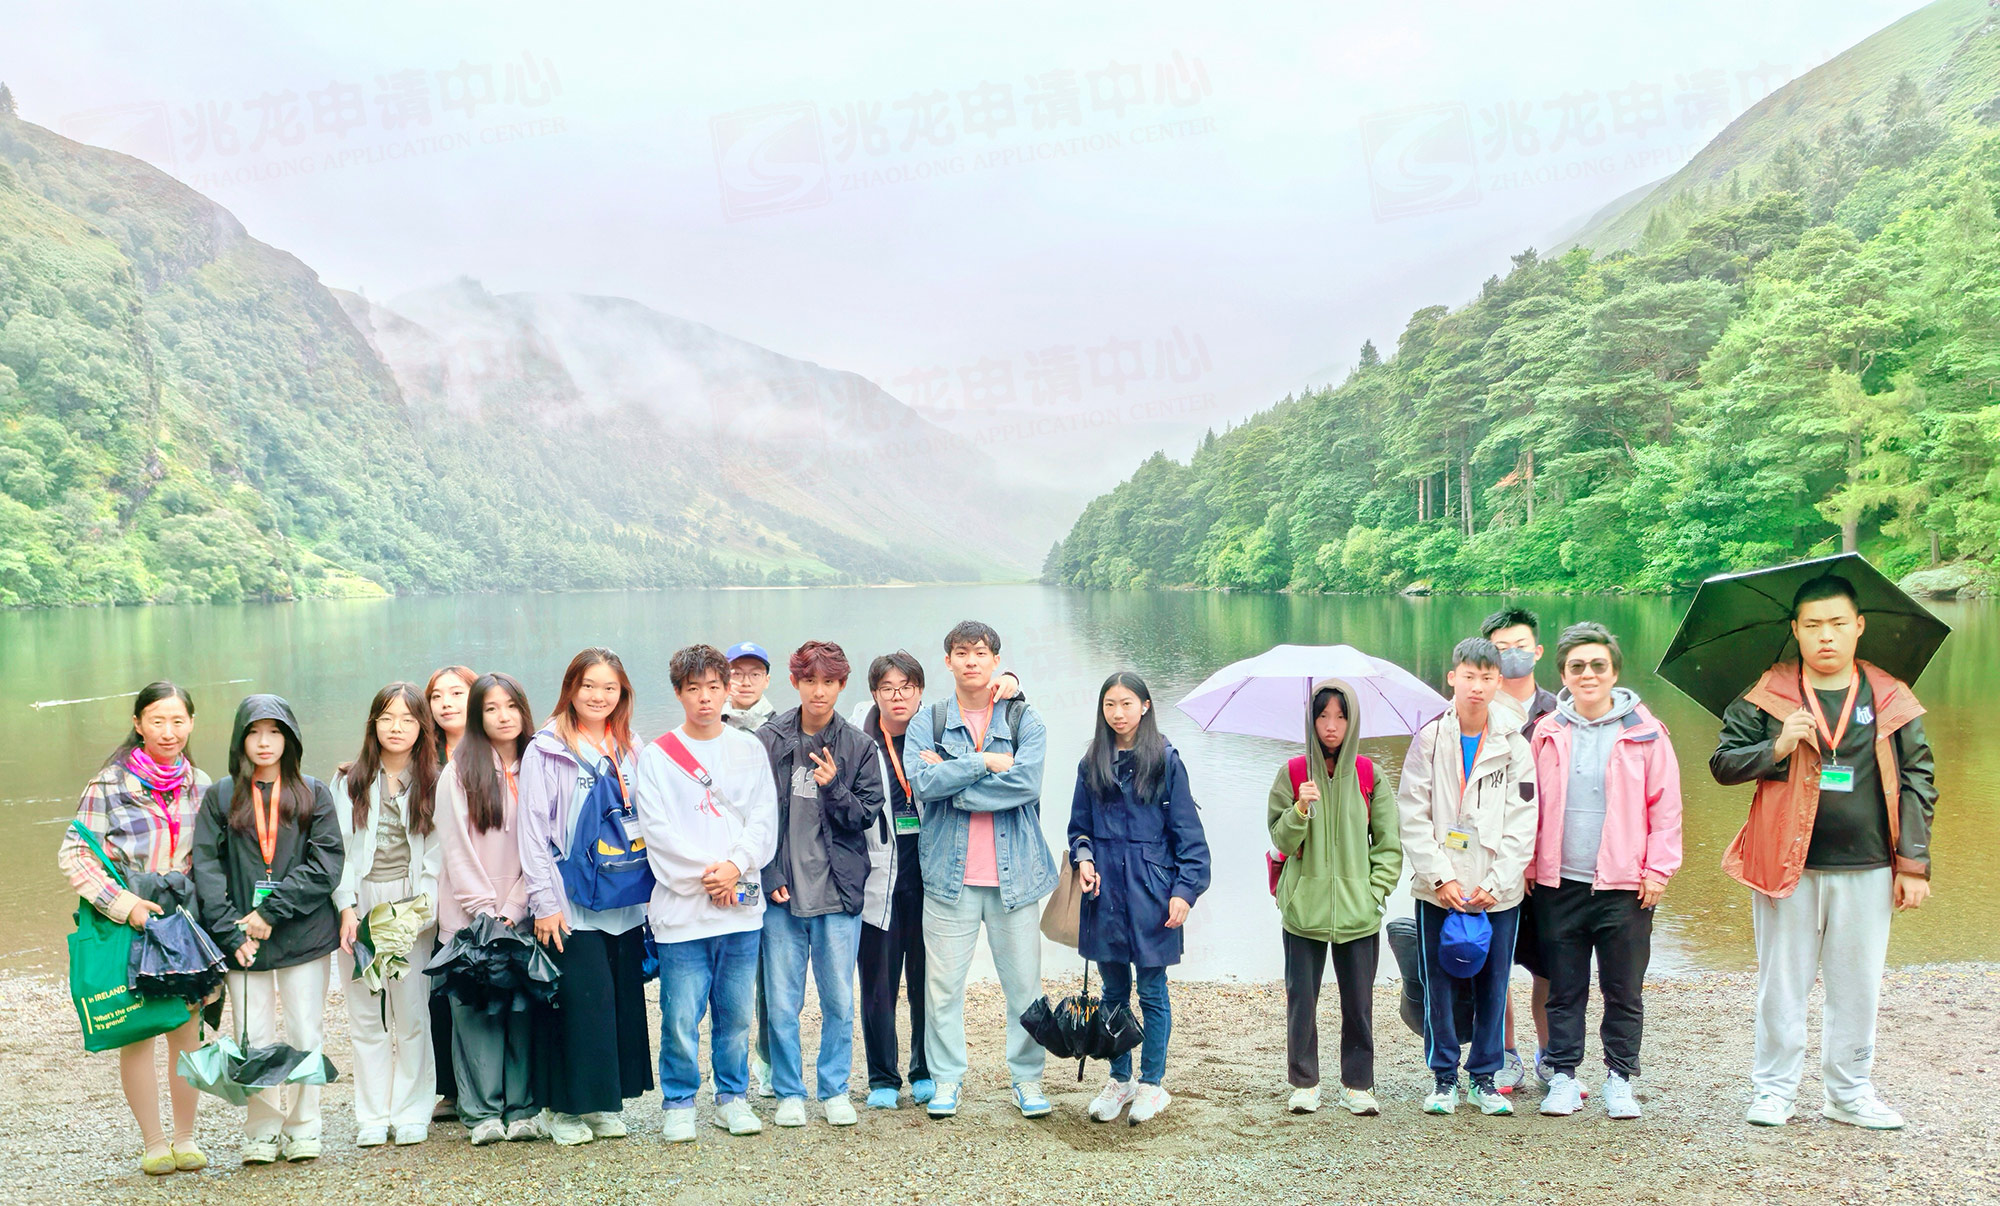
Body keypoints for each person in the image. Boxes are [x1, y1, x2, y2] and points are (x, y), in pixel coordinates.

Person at [1710, 575, 1935, 1131]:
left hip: (1869, 865)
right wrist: (1777, 745)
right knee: (1781, 984)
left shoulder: (1888, 694)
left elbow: (1918, 778)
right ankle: (1774, 1091)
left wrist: (1913, 864)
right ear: (1796, 630)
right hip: (1785, 864)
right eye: (1813, 625)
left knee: (1857, 985)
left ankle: (1849, 1092)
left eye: (1837, 624)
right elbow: (1723, 765)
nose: (1826, 636)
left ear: (1859, 626)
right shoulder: (1769, 692)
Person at [57, 682, 215, 1176]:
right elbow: (75, 853)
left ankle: (186, 1139)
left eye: (178, 721)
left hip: (182, 919)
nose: (169, 732)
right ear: (138, 724)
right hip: (130, 917)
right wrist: (125, 905)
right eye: (157, 721)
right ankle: (154, 1143)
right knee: (139, 1030)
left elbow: (212, 857)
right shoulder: (108, 784)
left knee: (187, 1030)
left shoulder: (201, 783)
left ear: (191, 724)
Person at [1528, 623, 1683, 1120]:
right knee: (1563, 989)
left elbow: (1666, 809)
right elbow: (1529, 804)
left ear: (1614, 672)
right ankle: (1563, 1076)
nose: (1588, 674)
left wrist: (1658, 870)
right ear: (1563, 675)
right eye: (1577, 667)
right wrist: (1530, 864)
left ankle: (1619, 1078)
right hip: (1560, 883)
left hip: (1626, 886)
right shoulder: (1547, 731)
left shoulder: (1645, 732)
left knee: (1623, 990)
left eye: (1598, 665)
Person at [905, 620, 1056, 1120]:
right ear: (947, 660)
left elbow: (1027, 784)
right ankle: (947, 1080)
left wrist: (956, 785)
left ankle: (1027, 1079)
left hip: (1016, 880)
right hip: (949, 880)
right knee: (943, 987)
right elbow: (923, 784)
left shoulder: (1023, 718)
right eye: (961, 652)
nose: (971, 661)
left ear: (996, 660)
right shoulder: (929, 720)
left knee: (1025, 987)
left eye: (980, 652)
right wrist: (985, 762)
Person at [633, 644, 780, 1142]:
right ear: (678, 692)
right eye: (693, 688)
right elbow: (657, 831)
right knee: (679, 1015)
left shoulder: (748, 748)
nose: (704, 698)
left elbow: (764, 817)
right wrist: (711, 875)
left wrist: (735, 867)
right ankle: (678, 1102)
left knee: (735, 1014)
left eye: (713, 687)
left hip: (740, 909)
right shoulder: (657, 756)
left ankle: (732, 1097)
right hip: (683, 913)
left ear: (726, 690)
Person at [190, 694, 344, 1164]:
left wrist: (270, 912)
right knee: (252, 1034)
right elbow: (207, 868)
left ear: (290, 738)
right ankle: (261, 1128)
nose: (264, 742)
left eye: (274, 732)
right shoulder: (221, 796)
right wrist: (231, 932)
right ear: (240, 740)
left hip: (303, 933)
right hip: (242, 939)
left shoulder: (314, 792)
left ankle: (304, 1127)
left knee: (304, 1031)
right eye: (254, 733)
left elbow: (327, 864)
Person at [517, 648, 655, 1146]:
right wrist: (544, 902)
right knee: (578, 1003)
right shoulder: (547, 748)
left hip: (624, 897)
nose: (599, 696)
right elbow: (532, 831)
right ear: (571, 689)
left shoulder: (631, 745)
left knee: (616, 1002)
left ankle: (601, 1104)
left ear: (623, 693)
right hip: (569, 899)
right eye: (589, 686)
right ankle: (562, 1109)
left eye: (609, 688)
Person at [1397, 638, 1537, 1118]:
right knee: (1437, 984)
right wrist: (1440, 878)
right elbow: (1412, 813)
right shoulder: (1430, 739)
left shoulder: (1514, 745)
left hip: (1497, 892)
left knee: (1494, 986)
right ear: (1452, 678)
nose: (1477, 686)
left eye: (1487, 677)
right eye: (1469, 676)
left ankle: (1484, 1078)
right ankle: (1443, 1079)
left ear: (1499, 682)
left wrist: (1495, 883)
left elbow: (1524, 821)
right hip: (1439, 889)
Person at [755, 641, 886, 1128]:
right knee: (782, 1004)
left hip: (837, 893)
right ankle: (789, 1091)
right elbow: (752, 816)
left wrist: (833, 786)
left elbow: (865, 816)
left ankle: (834, 1090)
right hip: (783, 896)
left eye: (829, 682)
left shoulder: (858, 745)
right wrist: (769, 873)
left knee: (838, 1002)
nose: (819, 691)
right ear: (795, 682)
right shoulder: (769, 740)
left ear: (841, 685)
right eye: (809, 680)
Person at [1071, 672, 1210, 1125]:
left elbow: (1190, 839)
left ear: (1146, 706)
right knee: (1113, 992)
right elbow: (1079, 829)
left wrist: (1184, 892)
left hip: (1152, 890)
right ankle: (1120, 1079)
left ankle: (1152, 1083)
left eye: (1127, 703)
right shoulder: (1092, 761)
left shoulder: (1166, 760)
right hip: (1105, 892)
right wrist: (1084, 858)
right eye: (1110, 704)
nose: (1118, 713)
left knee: (1151, 990)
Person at [1268, 678, 1399, 1118]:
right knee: (1301, 1001)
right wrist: (1300, 809)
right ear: (1311, 720)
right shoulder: (1292, 773)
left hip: (1358, 913)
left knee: (1358, 1003)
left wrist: (1373, 892)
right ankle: (1304, 1083)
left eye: (1340, 716)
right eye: (1322, 715)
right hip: (1303, 909)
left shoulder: (1369, 774)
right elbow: (1280, 840)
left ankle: (1358, 1085)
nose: (1331, 725)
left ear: (1352, 721)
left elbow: (1388, 845)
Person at [333, 683, 444, 1148]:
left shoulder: (436, 781)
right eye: (387, 718)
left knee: (412, 1011)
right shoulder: (350, 780)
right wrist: (345, 908)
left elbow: (437, 855)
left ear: (422, 727)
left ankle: (412, 1110)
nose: (396, 728)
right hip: (360, 901)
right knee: (366, 1013)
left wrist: (419, 912)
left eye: (408, 719)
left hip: (410, 901)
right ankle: (373, 1115)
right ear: (373, 724)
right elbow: (339, 849)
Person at [434, 673, 541, 1145]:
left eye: (511, 706)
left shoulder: (537, 765)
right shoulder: (459, 771)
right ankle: (481, 1114)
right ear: (478, 716)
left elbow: (544, 846)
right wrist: (484, 912)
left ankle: (521, 1109)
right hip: (470, 920)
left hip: (522, 913)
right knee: (476, 1014)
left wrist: (514, 907)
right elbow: (456, 849)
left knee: (520, 1011)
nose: (503, 716)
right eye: (491, 708)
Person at [852, 651, 935, 1110]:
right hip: (877, 879)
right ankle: (883, 1077)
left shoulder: (938, 733)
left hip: (929, 879)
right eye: (887, 688)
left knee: (927, 981)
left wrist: (1012, 684)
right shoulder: (858, 740)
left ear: (920, 691)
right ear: (874, 694)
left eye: (906, 687)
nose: (897, 696)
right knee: (878, 984)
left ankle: (925, 1070)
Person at [1482, 608, 1557, 1092]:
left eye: (1521, 646)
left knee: (1550, 964)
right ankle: (1504, 1052)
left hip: (1549, 863)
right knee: (1497, 964)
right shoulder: (1478, 710)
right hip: (1494, 860)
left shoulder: (1560, 710)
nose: (1513, 655)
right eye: (1501, 648)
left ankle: (1551, 1054)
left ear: (1538, 651)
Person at [720, 640, 776, 1095]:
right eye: (736, 673)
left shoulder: (783, 725)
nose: (744, 681)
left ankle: (768, 1064)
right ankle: (724, 1072)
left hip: (764, 870)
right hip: (717, 870)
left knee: (767, 977)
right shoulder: (706, 723)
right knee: (721, 976)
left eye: (754, 673)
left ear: (767, 679)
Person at [424, 663, 477, 1119]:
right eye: (437, 696)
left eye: (457, 693)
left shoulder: (496, 748)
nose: (446, 703)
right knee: (439, 986)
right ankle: (451, 1088)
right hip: (434, 882)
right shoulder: (425, 757)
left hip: (485, 877)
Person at [723, 642, 776, 733]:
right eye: (737, 674)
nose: (746, 683)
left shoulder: (780, 729)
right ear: (725, 678)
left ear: (767, 681)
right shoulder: (707, 721)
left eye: (755, 674)